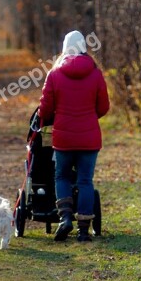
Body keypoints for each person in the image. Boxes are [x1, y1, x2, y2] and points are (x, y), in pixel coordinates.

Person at [39, 30, 110, 242]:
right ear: (84, 49)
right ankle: (83, 230)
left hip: (63, 138)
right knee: (85, 180)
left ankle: (65, 218)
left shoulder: (54, 74)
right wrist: (88, 118)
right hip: (89, 139)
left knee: (61, 176)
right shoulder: (96, 74)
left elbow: (45, 109)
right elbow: (104, 107)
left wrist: (54, 117)